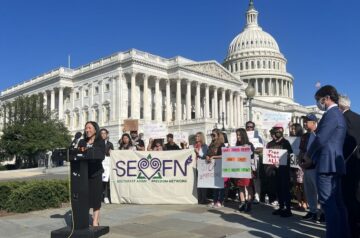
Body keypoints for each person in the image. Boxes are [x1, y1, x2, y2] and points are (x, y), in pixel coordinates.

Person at [304, 85, 350, 238]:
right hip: (334, 163)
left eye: (319, 100)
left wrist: (309, 154)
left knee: (328, 203)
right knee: (337, 202)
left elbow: (321, 139)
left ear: (327, 98)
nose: (318, 103)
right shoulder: (339, 114)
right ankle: (343, 233)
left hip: (326, 163)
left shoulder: (331, 114)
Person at [339, 95, 360, 238]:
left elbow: (348, 143)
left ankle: (353, 231)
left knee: (350, 199)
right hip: (357, 163)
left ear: (340, 106)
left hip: (350, 164)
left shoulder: (345, 119)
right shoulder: (358, 117)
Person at [78, 121, 105, 227]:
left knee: (96, 197)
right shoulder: (82, 141)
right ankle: (84, 219)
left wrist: (88, 150)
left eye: (89, 128)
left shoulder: (100, 141)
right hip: (84, 173)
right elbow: (79, 153)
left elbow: (101, 154)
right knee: (85, 197)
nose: (87, 130)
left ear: (95, 129)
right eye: (86, 128)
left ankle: (95, 221)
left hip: (96, 173)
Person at [299, 114, 322, 222]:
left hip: (317, 167)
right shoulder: (305, 136)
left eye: (306, 121)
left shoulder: (320, 134)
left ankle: (323, 212)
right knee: (309, 190)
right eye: (304, 121)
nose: (304, 123)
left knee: (319, 191)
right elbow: (301, 150)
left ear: (313, 122)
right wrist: (300, 161)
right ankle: (313, 211)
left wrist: (311, 161)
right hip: (306, 167)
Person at [267, 125, 293, 217]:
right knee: (277, 189)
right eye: (271, 134)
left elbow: (290, 154)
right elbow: (268, 155)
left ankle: (288, 209)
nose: (272, 136)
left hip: (284, 169)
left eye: (274, 134)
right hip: (274, 170)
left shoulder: (285, 143)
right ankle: (281, 207)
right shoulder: (270, 144)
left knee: (285, 189)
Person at [235, 128, 255, 212]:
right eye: (237, 135)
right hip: (239, 168)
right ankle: (242, 202)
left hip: (247, 168)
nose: (238, 136)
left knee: (248, 185)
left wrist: (247, 149)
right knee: (240, 186)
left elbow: (252, 156)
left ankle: (249, 202)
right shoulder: (237, 145)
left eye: (239, 135)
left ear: (243, 135)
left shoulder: (249, 144)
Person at [206, 129, 226, 208]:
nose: (212, 136)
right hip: (212, 166)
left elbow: (224, 155)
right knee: (214, 184)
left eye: (214, 135)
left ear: (218, 136)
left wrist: (214, 157)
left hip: (220, 165)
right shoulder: (211, 144)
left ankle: (220, 201)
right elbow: (208, 153)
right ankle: (214, 200)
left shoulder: (221, 145)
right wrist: (207, 156)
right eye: (211, 135)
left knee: (220, 184)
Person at [289, 123, 307, 212]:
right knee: (296, 185)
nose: (292, 130)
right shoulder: (289, 139)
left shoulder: (303, 138)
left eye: (294, 129)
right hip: (292, 164)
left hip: (301, 164)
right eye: (291, 129)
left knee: (303, 185)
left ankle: (305, 203)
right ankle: (299, 202)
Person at [245, 121, 263, 204]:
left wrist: (259, 149)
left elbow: (262, 147)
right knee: (245, 177)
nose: (249, 128)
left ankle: (257, 196)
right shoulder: (243, 137)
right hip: (245, 159)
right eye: (247, 127)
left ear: (253, 128)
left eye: (251, 127)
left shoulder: (258, 137)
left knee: (256, 178)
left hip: (255, 159)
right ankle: (247, 196)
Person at [194, 132, 209, 204]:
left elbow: (204, 156)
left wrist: (198, 152)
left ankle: (204, 198)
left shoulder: (204, 146)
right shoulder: (195, 146)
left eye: (198, 136)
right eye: (196, 136)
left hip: (202, 166)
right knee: (197, 183)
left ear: (201, 137)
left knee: (202, 183)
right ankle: (199, 198)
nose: (196, 138)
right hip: (195, 165)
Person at [100, 128, 114, 204]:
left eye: (104, 133)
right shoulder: (96, 143)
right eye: (101, 133)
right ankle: (99, 196)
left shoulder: (110, 144)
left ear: (107, 134)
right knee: (99, 180)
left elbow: (113, 154)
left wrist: (110, 152)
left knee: (106, 181)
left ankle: (105, 196)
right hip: (99, 164)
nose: (103, 135)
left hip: (107, 164)